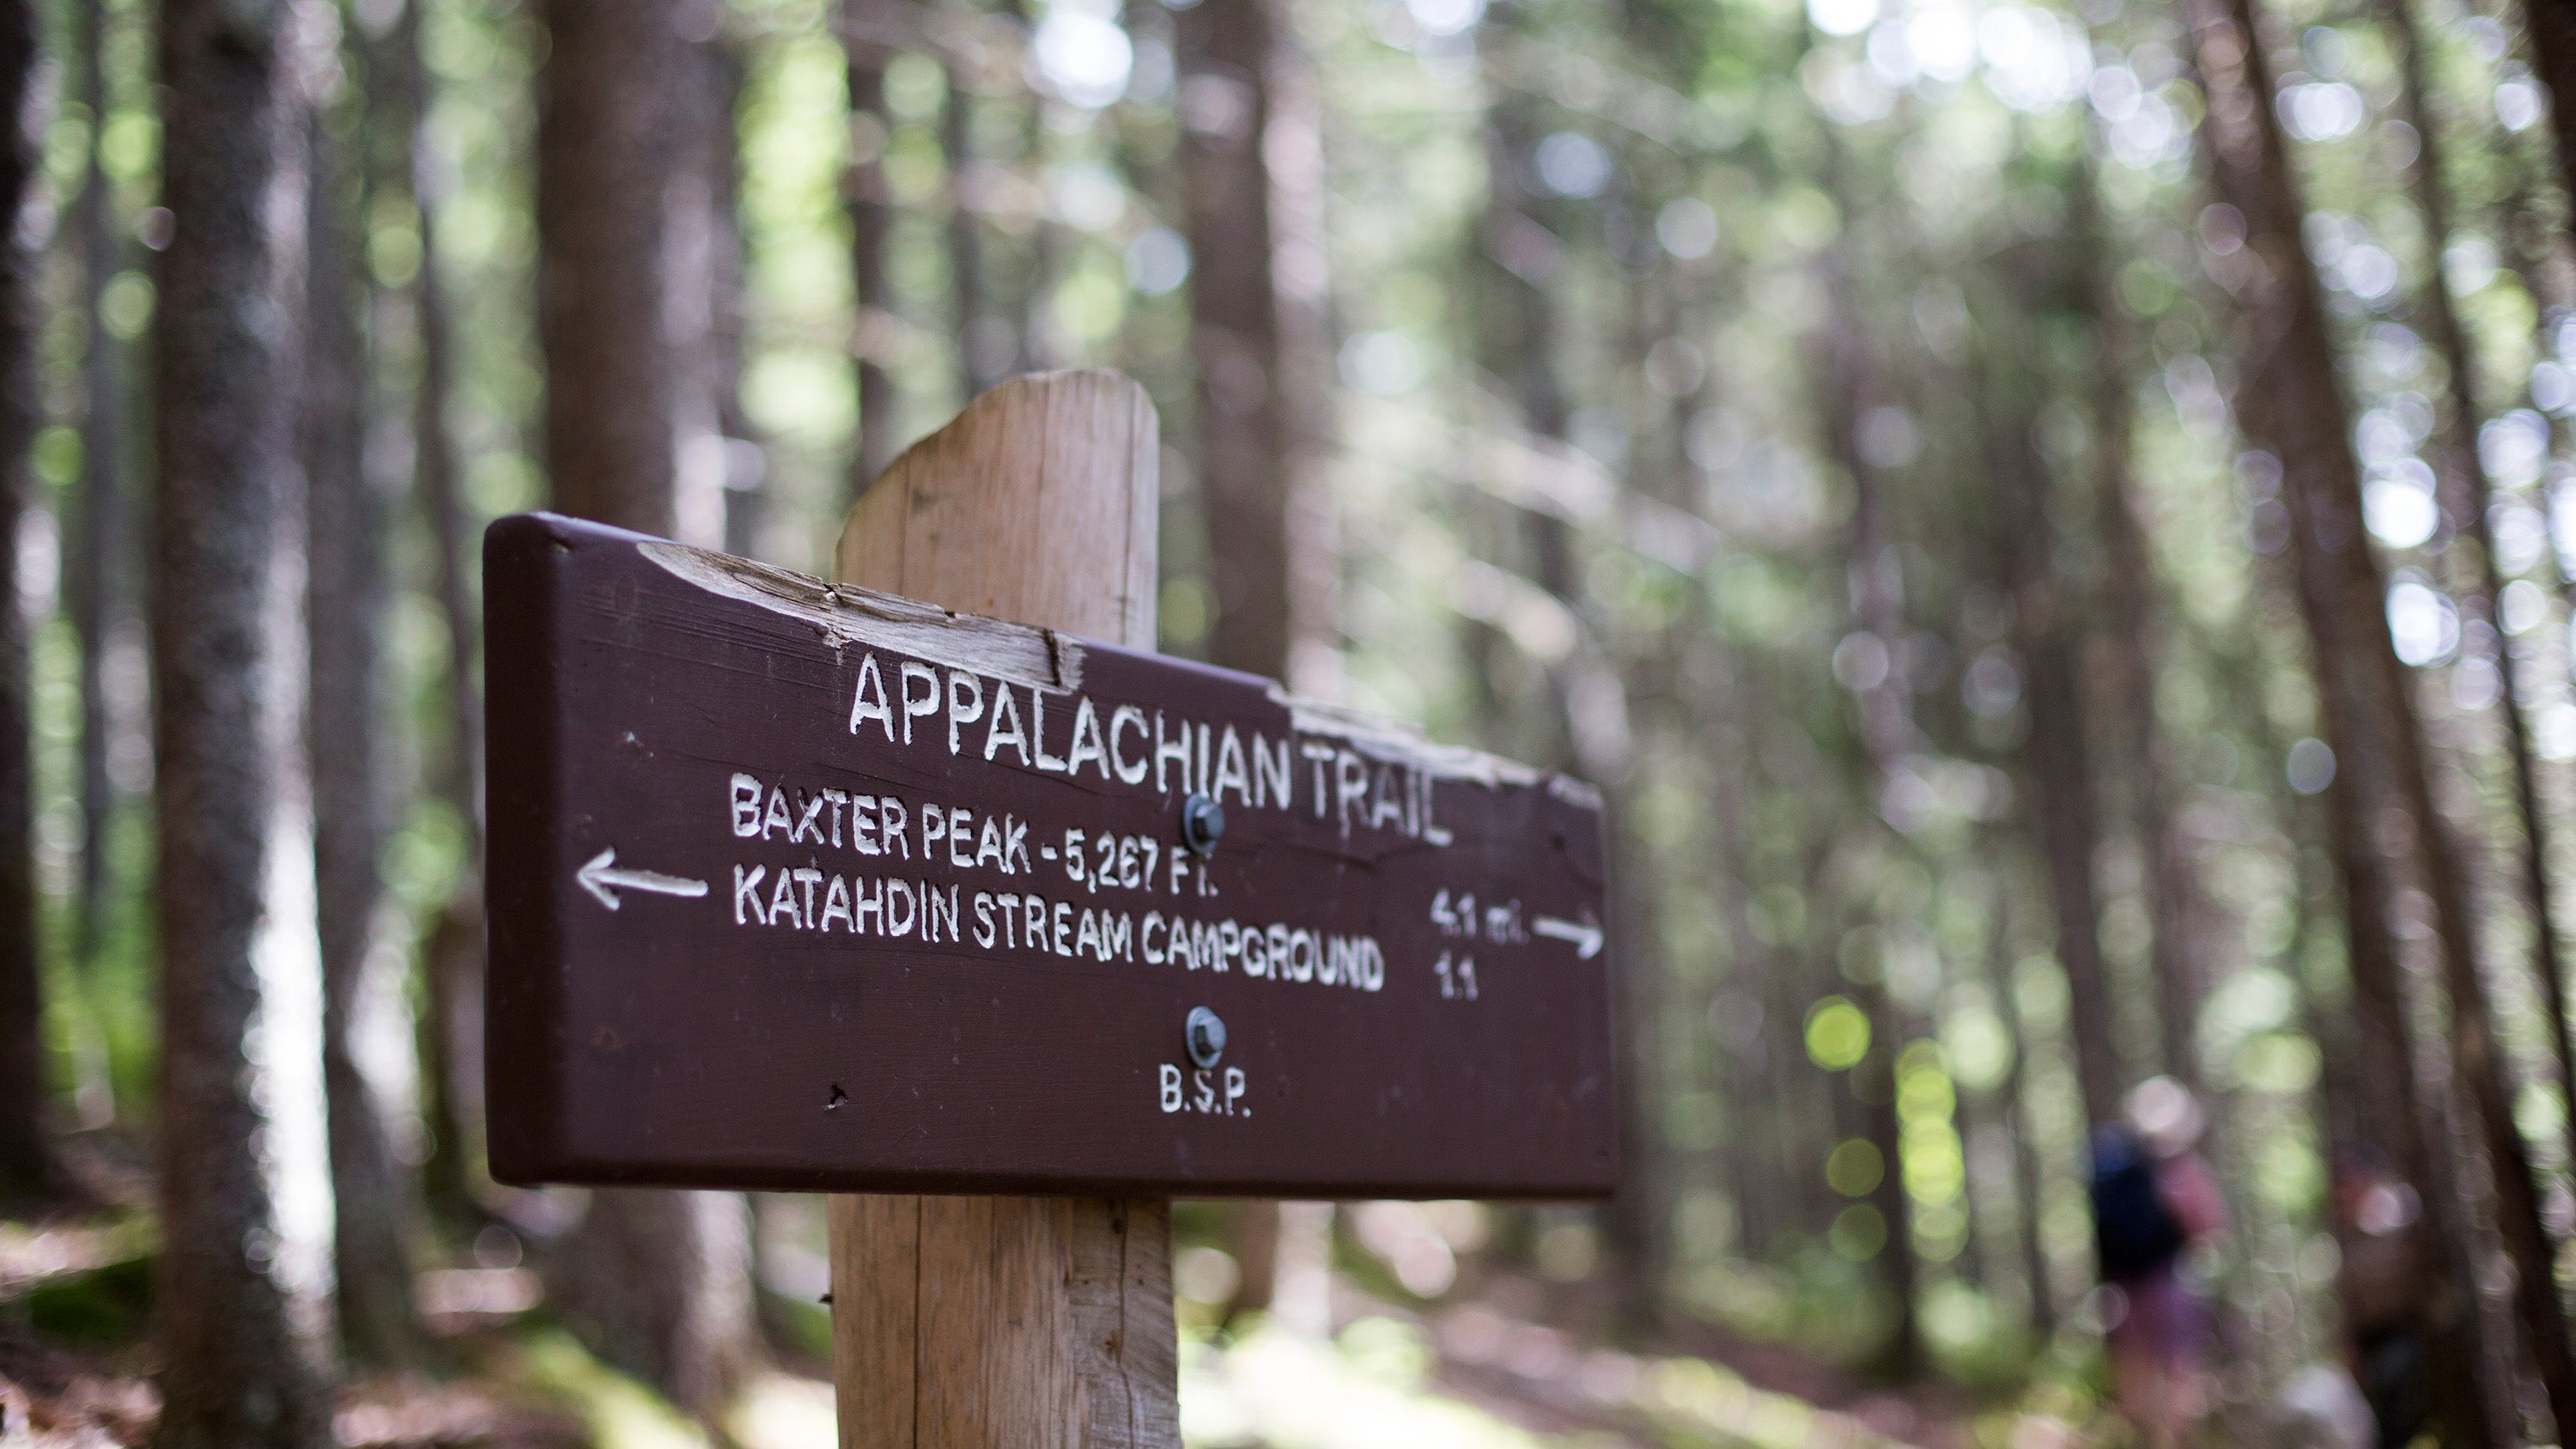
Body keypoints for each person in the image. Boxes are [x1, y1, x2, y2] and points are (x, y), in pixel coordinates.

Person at [2092, 1076, 2229, 1449]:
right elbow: (2208, 1228)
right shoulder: (2183, 1171)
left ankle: (2141, 1438)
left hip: (2123, 1287)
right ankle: (2172, 1440)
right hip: (2171, 1282)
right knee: (2179, 1372)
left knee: (2135, 1373)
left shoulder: (2118, 1168)